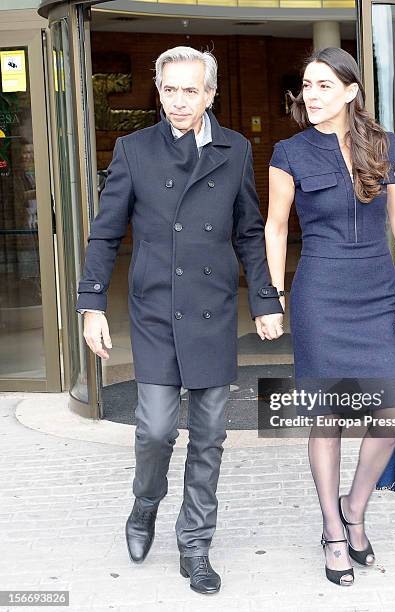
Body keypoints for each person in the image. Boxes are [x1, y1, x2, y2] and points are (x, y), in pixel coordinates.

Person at [76, 46, 284, 595]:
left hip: (212, 311)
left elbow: (247, 230)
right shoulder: (133, 149)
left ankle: (196, 544)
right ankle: (144, 506)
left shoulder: (235, 150)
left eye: (191, 90)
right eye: (170, 90)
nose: (178, 101)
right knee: (157, 428)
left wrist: (264, 299)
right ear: (159, 91)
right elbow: (104, 231)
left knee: (211, 435)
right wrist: (91, 303)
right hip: (154, 312)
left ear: (210, 94)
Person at [265, 47, 395, 587]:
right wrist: (274, 296)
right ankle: (334, 531)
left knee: (390, 412)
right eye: (305, 86)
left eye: (322, 86)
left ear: (351, 91)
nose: (310, 96)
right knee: (327, 416)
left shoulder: (383, 146)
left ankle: (354, 507)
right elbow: (277, 228)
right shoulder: (288, 152)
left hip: (379, 295)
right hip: (320, 296)